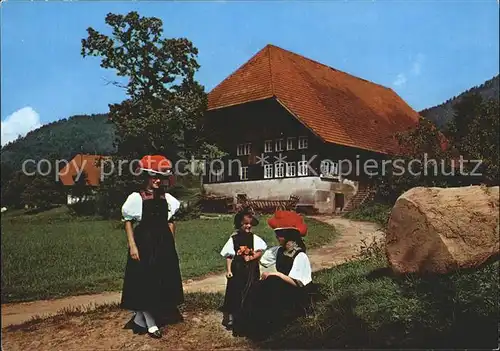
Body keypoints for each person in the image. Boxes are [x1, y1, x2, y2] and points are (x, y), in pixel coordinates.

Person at [120, 155, 183, 339]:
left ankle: (140, 317)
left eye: (160, 177)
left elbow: (171, 222)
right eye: (153, 176)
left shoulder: (168, 198)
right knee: (145, 281)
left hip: (163, 243)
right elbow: (128, 222)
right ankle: (150, 322)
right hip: (145, 242)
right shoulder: (137, 197)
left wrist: (171, 243)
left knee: (160, 280)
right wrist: (132, 246)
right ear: (146, 177)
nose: (157, 181)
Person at [232, 210, 313, 339]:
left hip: (295, 293)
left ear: (288, 235)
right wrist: (249, 254)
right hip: (281, 287)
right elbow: (262, 260)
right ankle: (246, 324)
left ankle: (267, 327)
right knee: (256, 286)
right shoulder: (279, 251)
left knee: (272, 282)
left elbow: (299, 283)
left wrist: (276, 275)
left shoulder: (300, 256)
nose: (276, 237)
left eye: (279, 234)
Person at [219, 208, 267, 330]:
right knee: (235, 291)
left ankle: (250, 316)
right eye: (245, 224)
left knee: (251, 290)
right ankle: (232, 317)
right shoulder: (234, 239)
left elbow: (260, 251)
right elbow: (229, 256)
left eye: (250, 224)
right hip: (237, 269)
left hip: (251, 270)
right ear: (239, 224)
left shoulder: (254, 238)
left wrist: (252, 258)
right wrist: (229, 270)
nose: (248, 226)